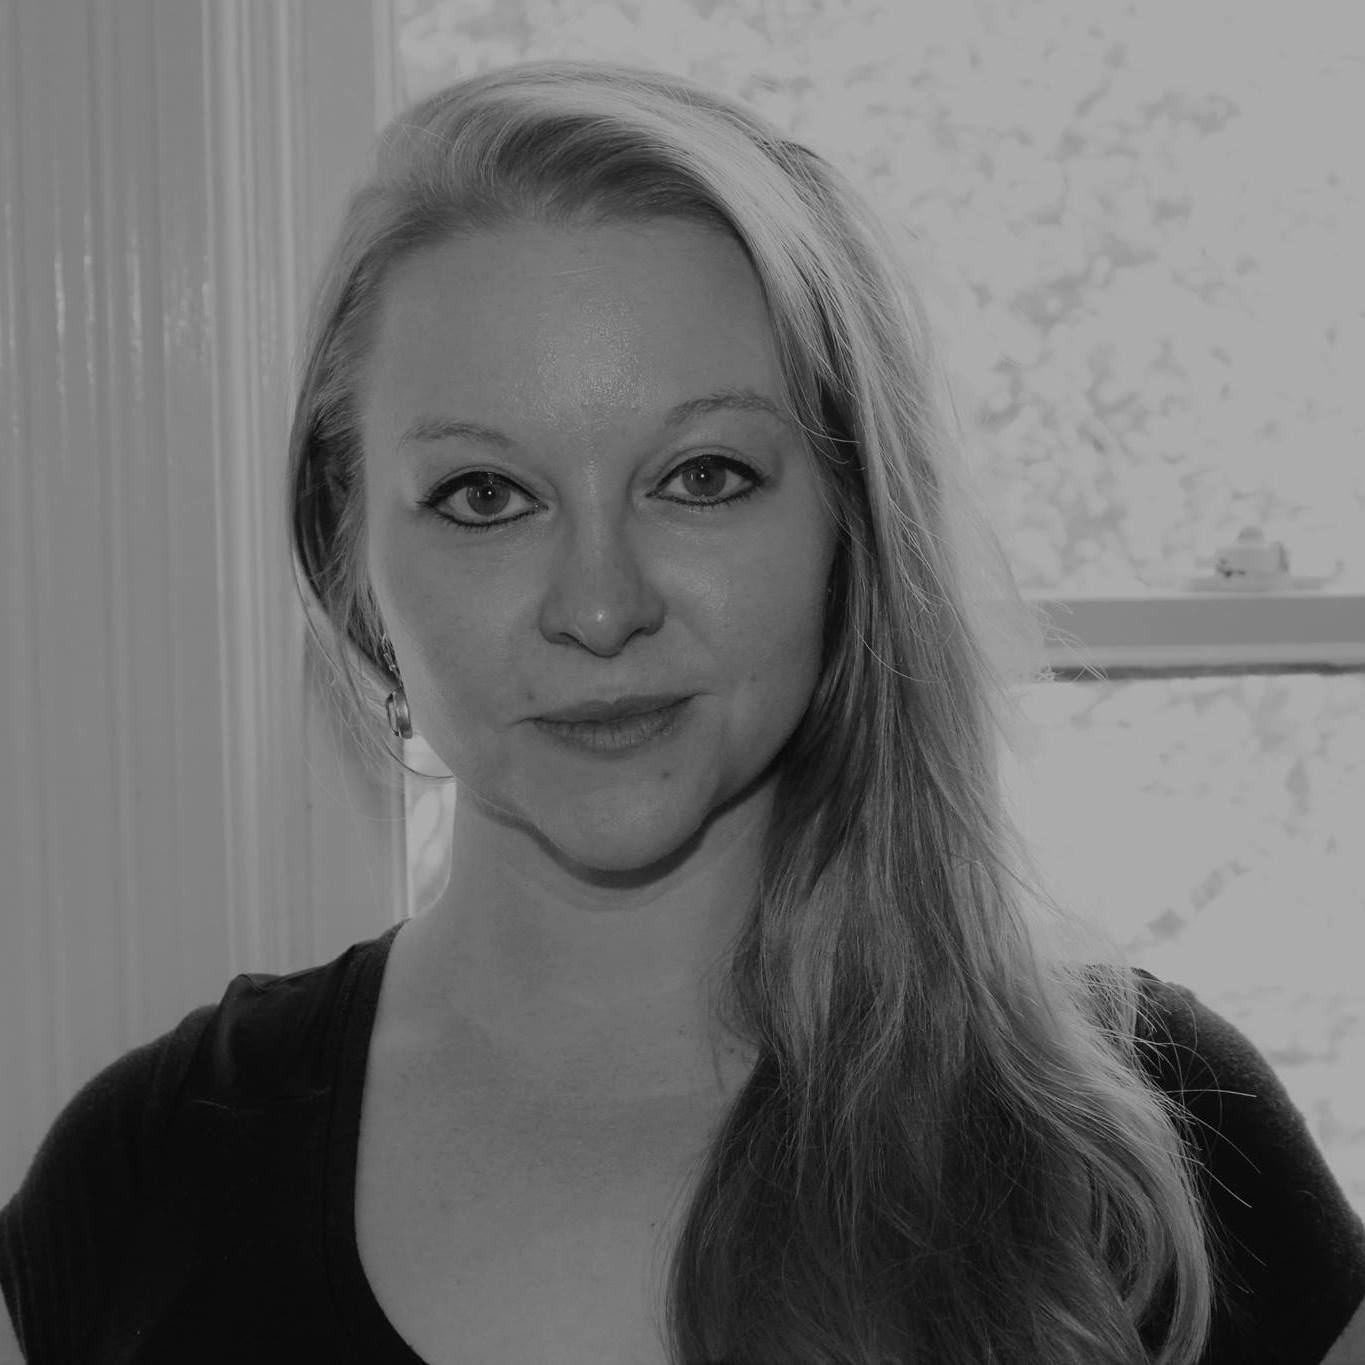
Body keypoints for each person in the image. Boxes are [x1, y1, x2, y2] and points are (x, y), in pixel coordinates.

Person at [2, 56, 1363, 1365]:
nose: (599, 608)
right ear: (349, 560)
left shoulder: (1159, 1140)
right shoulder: (144, 1178)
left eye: (702, 476)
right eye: (485, 495)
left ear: (849, 528)